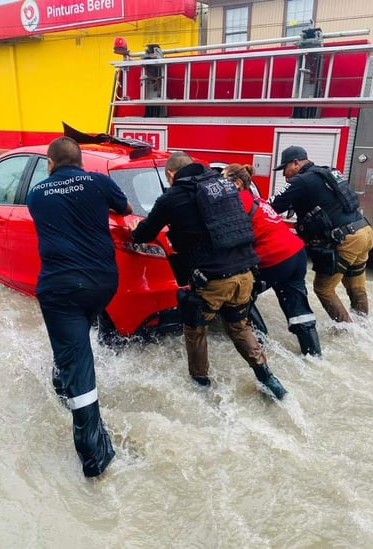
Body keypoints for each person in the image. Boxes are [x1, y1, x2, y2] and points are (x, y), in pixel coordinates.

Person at [131, 151, 287, 399]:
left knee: (195, 328)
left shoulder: (172, 198)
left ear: (170, 174)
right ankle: (268, 377)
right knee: (238, 326)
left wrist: (133, 231)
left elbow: (142, 234)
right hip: (246, 273)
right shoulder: (223, 186)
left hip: (213, 280)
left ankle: (200, 384)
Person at [27, 136, 133, 478]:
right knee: (74, 340)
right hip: (102, 284)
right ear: (81, 162)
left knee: (78, 359)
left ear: (51, 163)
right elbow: (125, 209)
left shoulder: (36, 194)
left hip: (61, 289)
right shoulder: (99, 182)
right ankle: (61, 377)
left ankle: (93, 455)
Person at [222, 163, 321, 356]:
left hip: (275, 258)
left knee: (239, 296)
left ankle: (260, 343)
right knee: (297, 306)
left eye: (223, 181)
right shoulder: (257, 200)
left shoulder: (237, 202)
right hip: (296, 253)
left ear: (236, 183)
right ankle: (314, 356)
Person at [270, 145, 373, 323]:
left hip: (345, 239)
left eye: (284, 168)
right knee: (355, 285)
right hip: (365, 232)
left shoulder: (301, 181)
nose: (284, 175)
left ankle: (346, 333)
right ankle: (364, 326)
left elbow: (271, 206)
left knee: (323, 288)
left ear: (295, 163)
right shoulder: (327, 172)